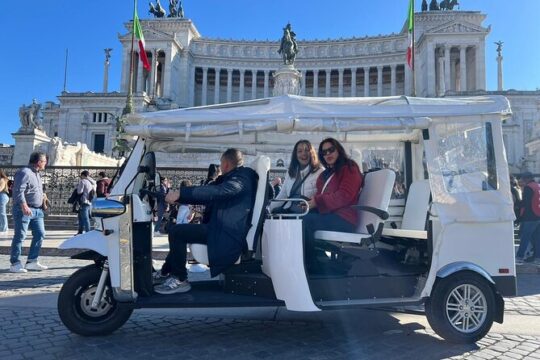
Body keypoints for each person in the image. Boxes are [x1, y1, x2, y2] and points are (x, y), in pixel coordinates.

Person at [154, 148, 258, 294]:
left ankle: (180, 278)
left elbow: (219, 192)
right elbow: (206, 193)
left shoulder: (241, 178)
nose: (220, 167)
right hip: (220, 228)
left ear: (226, 164)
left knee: (177, 232)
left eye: (221, 164)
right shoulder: (236, 176)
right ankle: (166, 272)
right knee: (177, 231)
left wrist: (180, 193)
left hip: (227, 234)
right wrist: (180, 197)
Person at [302, 138, 364, 270]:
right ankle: (308, 260)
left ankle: (310, 266)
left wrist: (317, 202)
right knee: (297, 217)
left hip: (344, 219)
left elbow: (344, 196)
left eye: (331, 150)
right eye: (324, 152)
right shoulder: (325, 175)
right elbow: (323, 195)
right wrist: (310, 203)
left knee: (305, 221)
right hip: (330, 215)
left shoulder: (349, 168)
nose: (328, 154)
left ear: (339, 150)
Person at [9, 152, 48, 273]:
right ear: (39, 162)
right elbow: (18, 191)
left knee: (40, 234)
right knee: (20, 235)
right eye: (44, 161)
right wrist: (24, 205)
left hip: (37, 210)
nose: (46, 164)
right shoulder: (24, 172)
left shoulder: (37, 174)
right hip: (24, 209)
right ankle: (15, 263)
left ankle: (32, 261)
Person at [269, 140, 324, 213]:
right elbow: (283, 195)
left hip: (308, 216)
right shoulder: (290, 172)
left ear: (312, 153)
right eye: (300, 151)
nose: (303, 154)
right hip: (289, 214)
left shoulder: (320, 172)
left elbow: (323, 197)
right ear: (295, 155)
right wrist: (269, 209)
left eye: (307, 150)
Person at [516, 172, 540, 264]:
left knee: (525, 237)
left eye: (523, 178)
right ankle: (538, 258)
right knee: (537, 238)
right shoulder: (538, 185)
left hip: (530, 216)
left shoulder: (528, 187)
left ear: (527, 178)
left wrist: (517, 205)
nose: (522, 180)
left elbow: (526, 202)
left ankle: (520, 257)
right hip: (538, 215)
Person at [0, 170, 9, 236]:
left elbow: (0, 188)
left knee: (2, 213)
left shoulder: (2, 180)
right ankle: (2, 227)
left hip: (2, 196)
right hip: (2, 196)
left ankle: (4, 229)